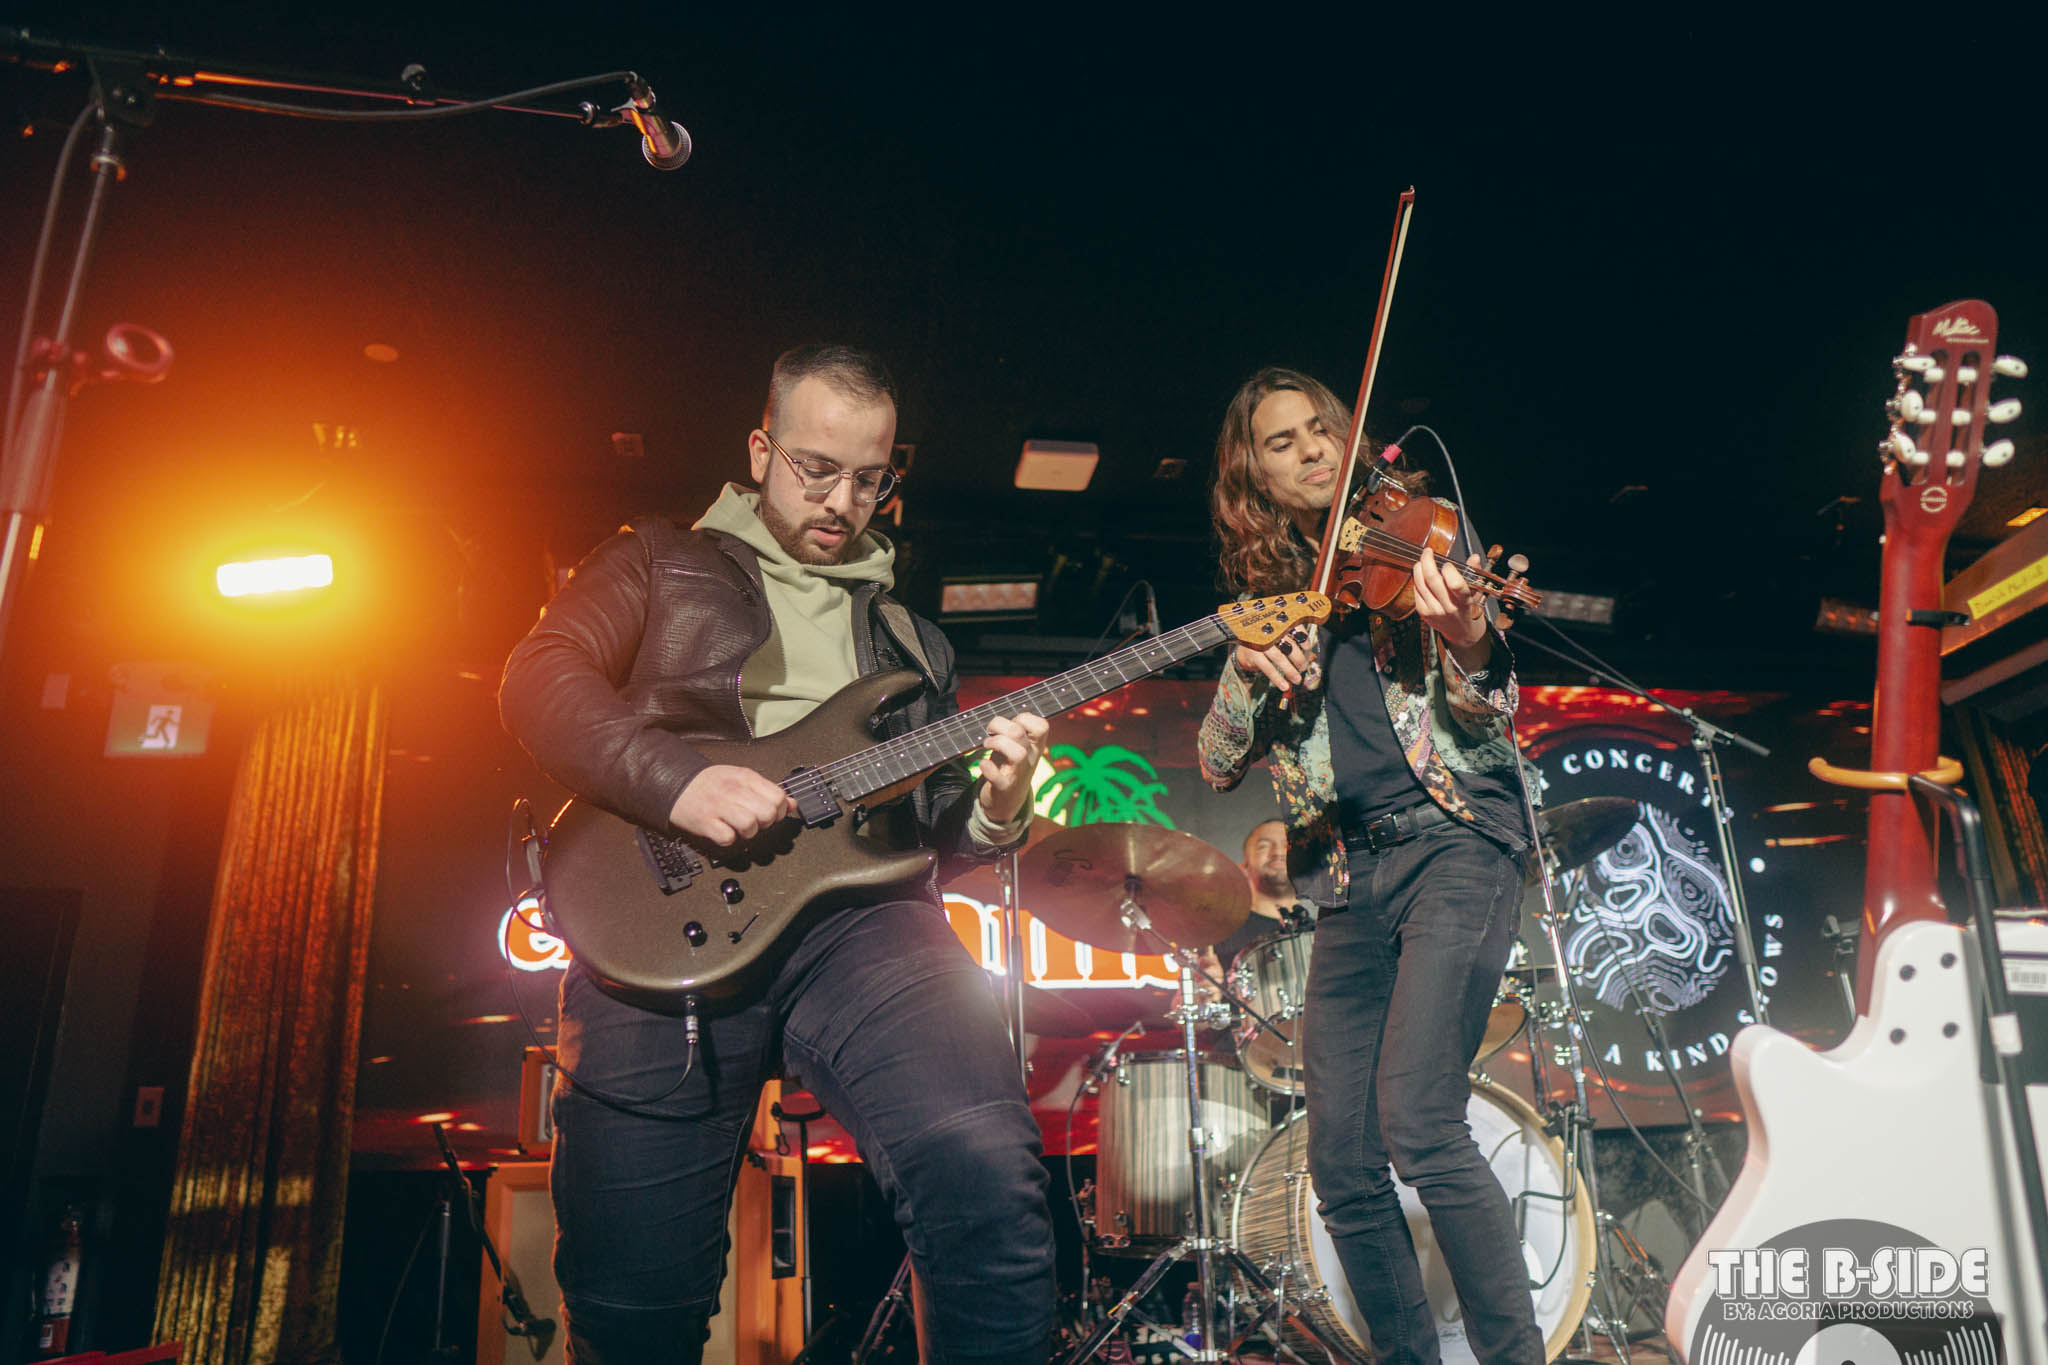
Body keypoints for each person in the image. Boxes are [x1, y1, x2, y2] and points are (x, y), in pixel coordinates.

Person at [500, 344, 1057, 1364]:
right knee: (634, 1302)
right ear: (760, 450)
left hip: (862, 926)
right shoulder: (659, 557)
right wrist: (676, 780)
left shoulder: (913, 642)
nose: (842, 499)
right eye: (815, 468)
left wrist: (997, 806)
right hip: (651, 919)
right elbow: (538, 678)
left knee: (985, 1171)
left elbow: (930, 837)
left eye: (868, 477)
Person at [1195, 367, 1540, 1365]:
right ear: (1250, 474)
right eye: (1280, 441)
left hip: (1453, 845)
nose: (1308, 451)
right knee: (1340, 1162)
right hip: (1345, 882)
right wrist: (1245, 674)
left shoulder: (1421, 534)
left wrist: (1466, 629)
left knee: (1420, 1121)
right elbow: (1217, 763)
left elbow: (1490, 704)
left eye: (1320, 430)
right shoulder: (1268, 607)